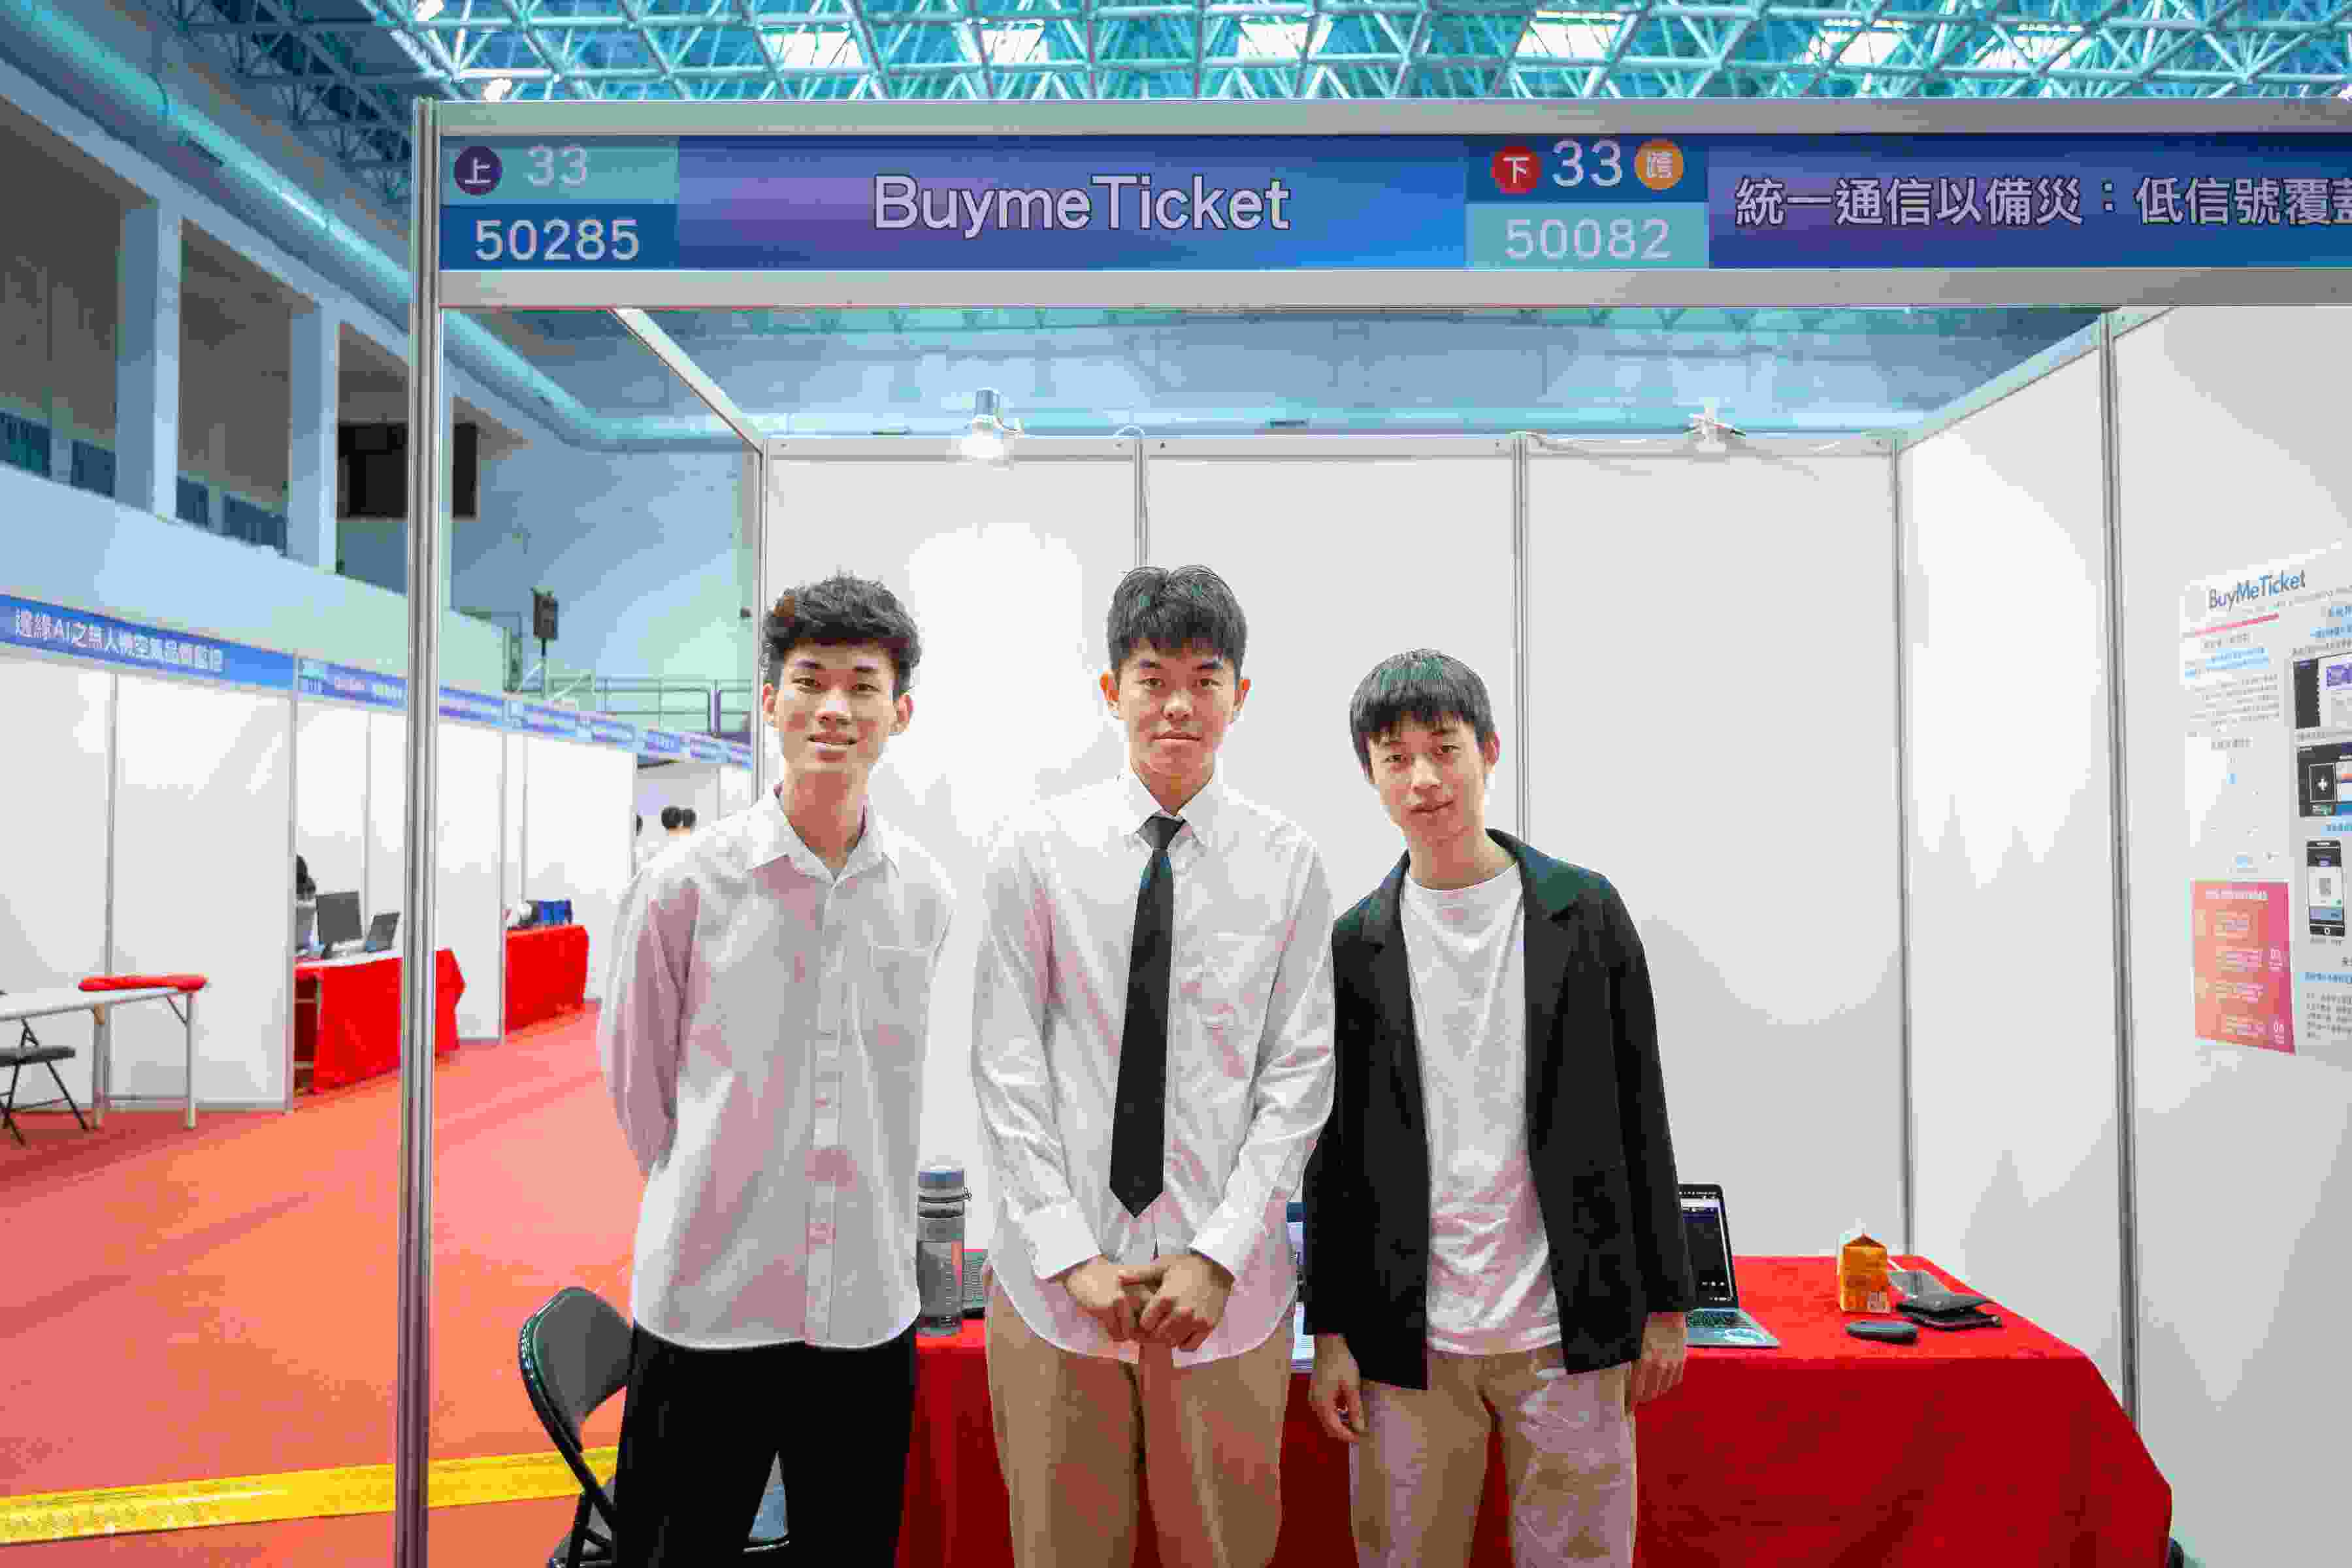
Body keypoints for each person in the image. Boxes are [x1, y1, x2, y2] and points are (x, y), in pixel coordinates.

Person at [973, 563, 1337, 1568]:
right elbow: (1006, 1065)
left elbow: (1298, 1081)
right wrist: (1068, 1252)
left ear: (1239, 696)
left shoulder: (1289, 864)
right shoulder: (1035, 851)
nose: (1178, 704)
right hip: (1058, 1297)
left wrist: (1218, 1256)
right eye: (1152, 677)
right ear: (1111, 690)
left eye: (1204, 679)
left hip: (1224, 1302)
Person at [1301, 649, 1697, 1568]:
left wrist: (1667, 1304)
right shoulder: (1354, 945)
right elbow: (1334, 1158)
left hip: (1569, 1326)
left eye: (1444, 749)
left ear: (1489, 751)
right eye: (1396, 758)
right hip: (1408, 1339)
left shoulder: (1585, 913)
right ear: (1371, 775)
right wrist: (1330, 1333)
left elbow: (1643, 1108)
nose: (1424, 779)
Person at [600, 572, 955, 1566]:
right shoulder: (683, 889)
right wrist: (717, 1188)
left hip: (865, 1309)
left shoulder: (923, 894)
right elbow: (637, 1091)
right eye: (810, 681)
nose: (835, 708)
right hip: (709, 1302)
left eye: (863, 686)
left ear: (900, 713)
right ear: (770, 702)